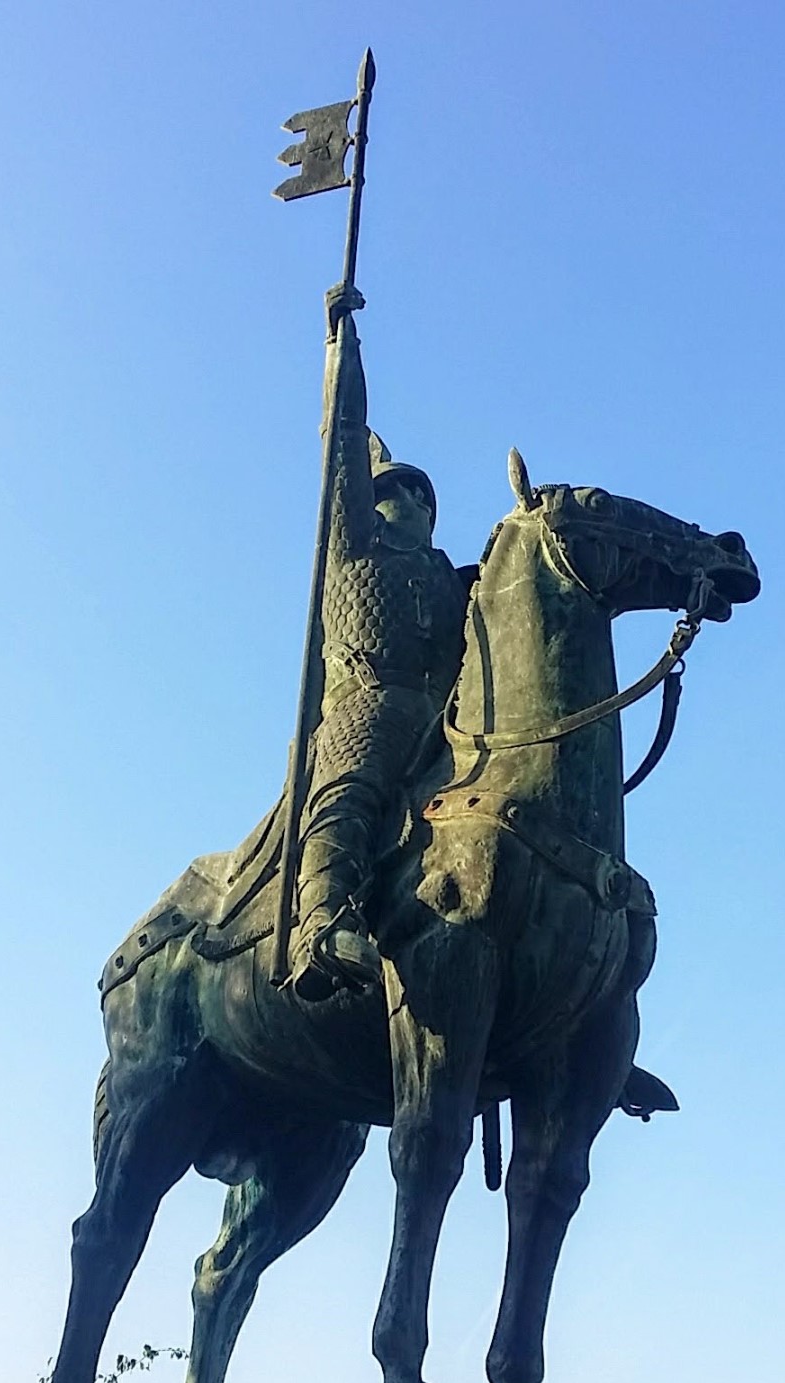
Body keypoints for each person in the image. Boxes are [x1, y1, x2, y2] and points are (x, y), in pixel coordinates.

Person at [290, 285, 472, 1001]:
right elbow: (341, 440)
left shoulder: (454, 578)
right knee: (351, 788)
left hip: (447, 718)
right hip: (372, 704)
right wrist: (343, 351)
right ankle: (321, 922)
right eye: (401, 492)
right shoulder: (354, 547)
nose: (419, 504)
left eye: (426, 497)